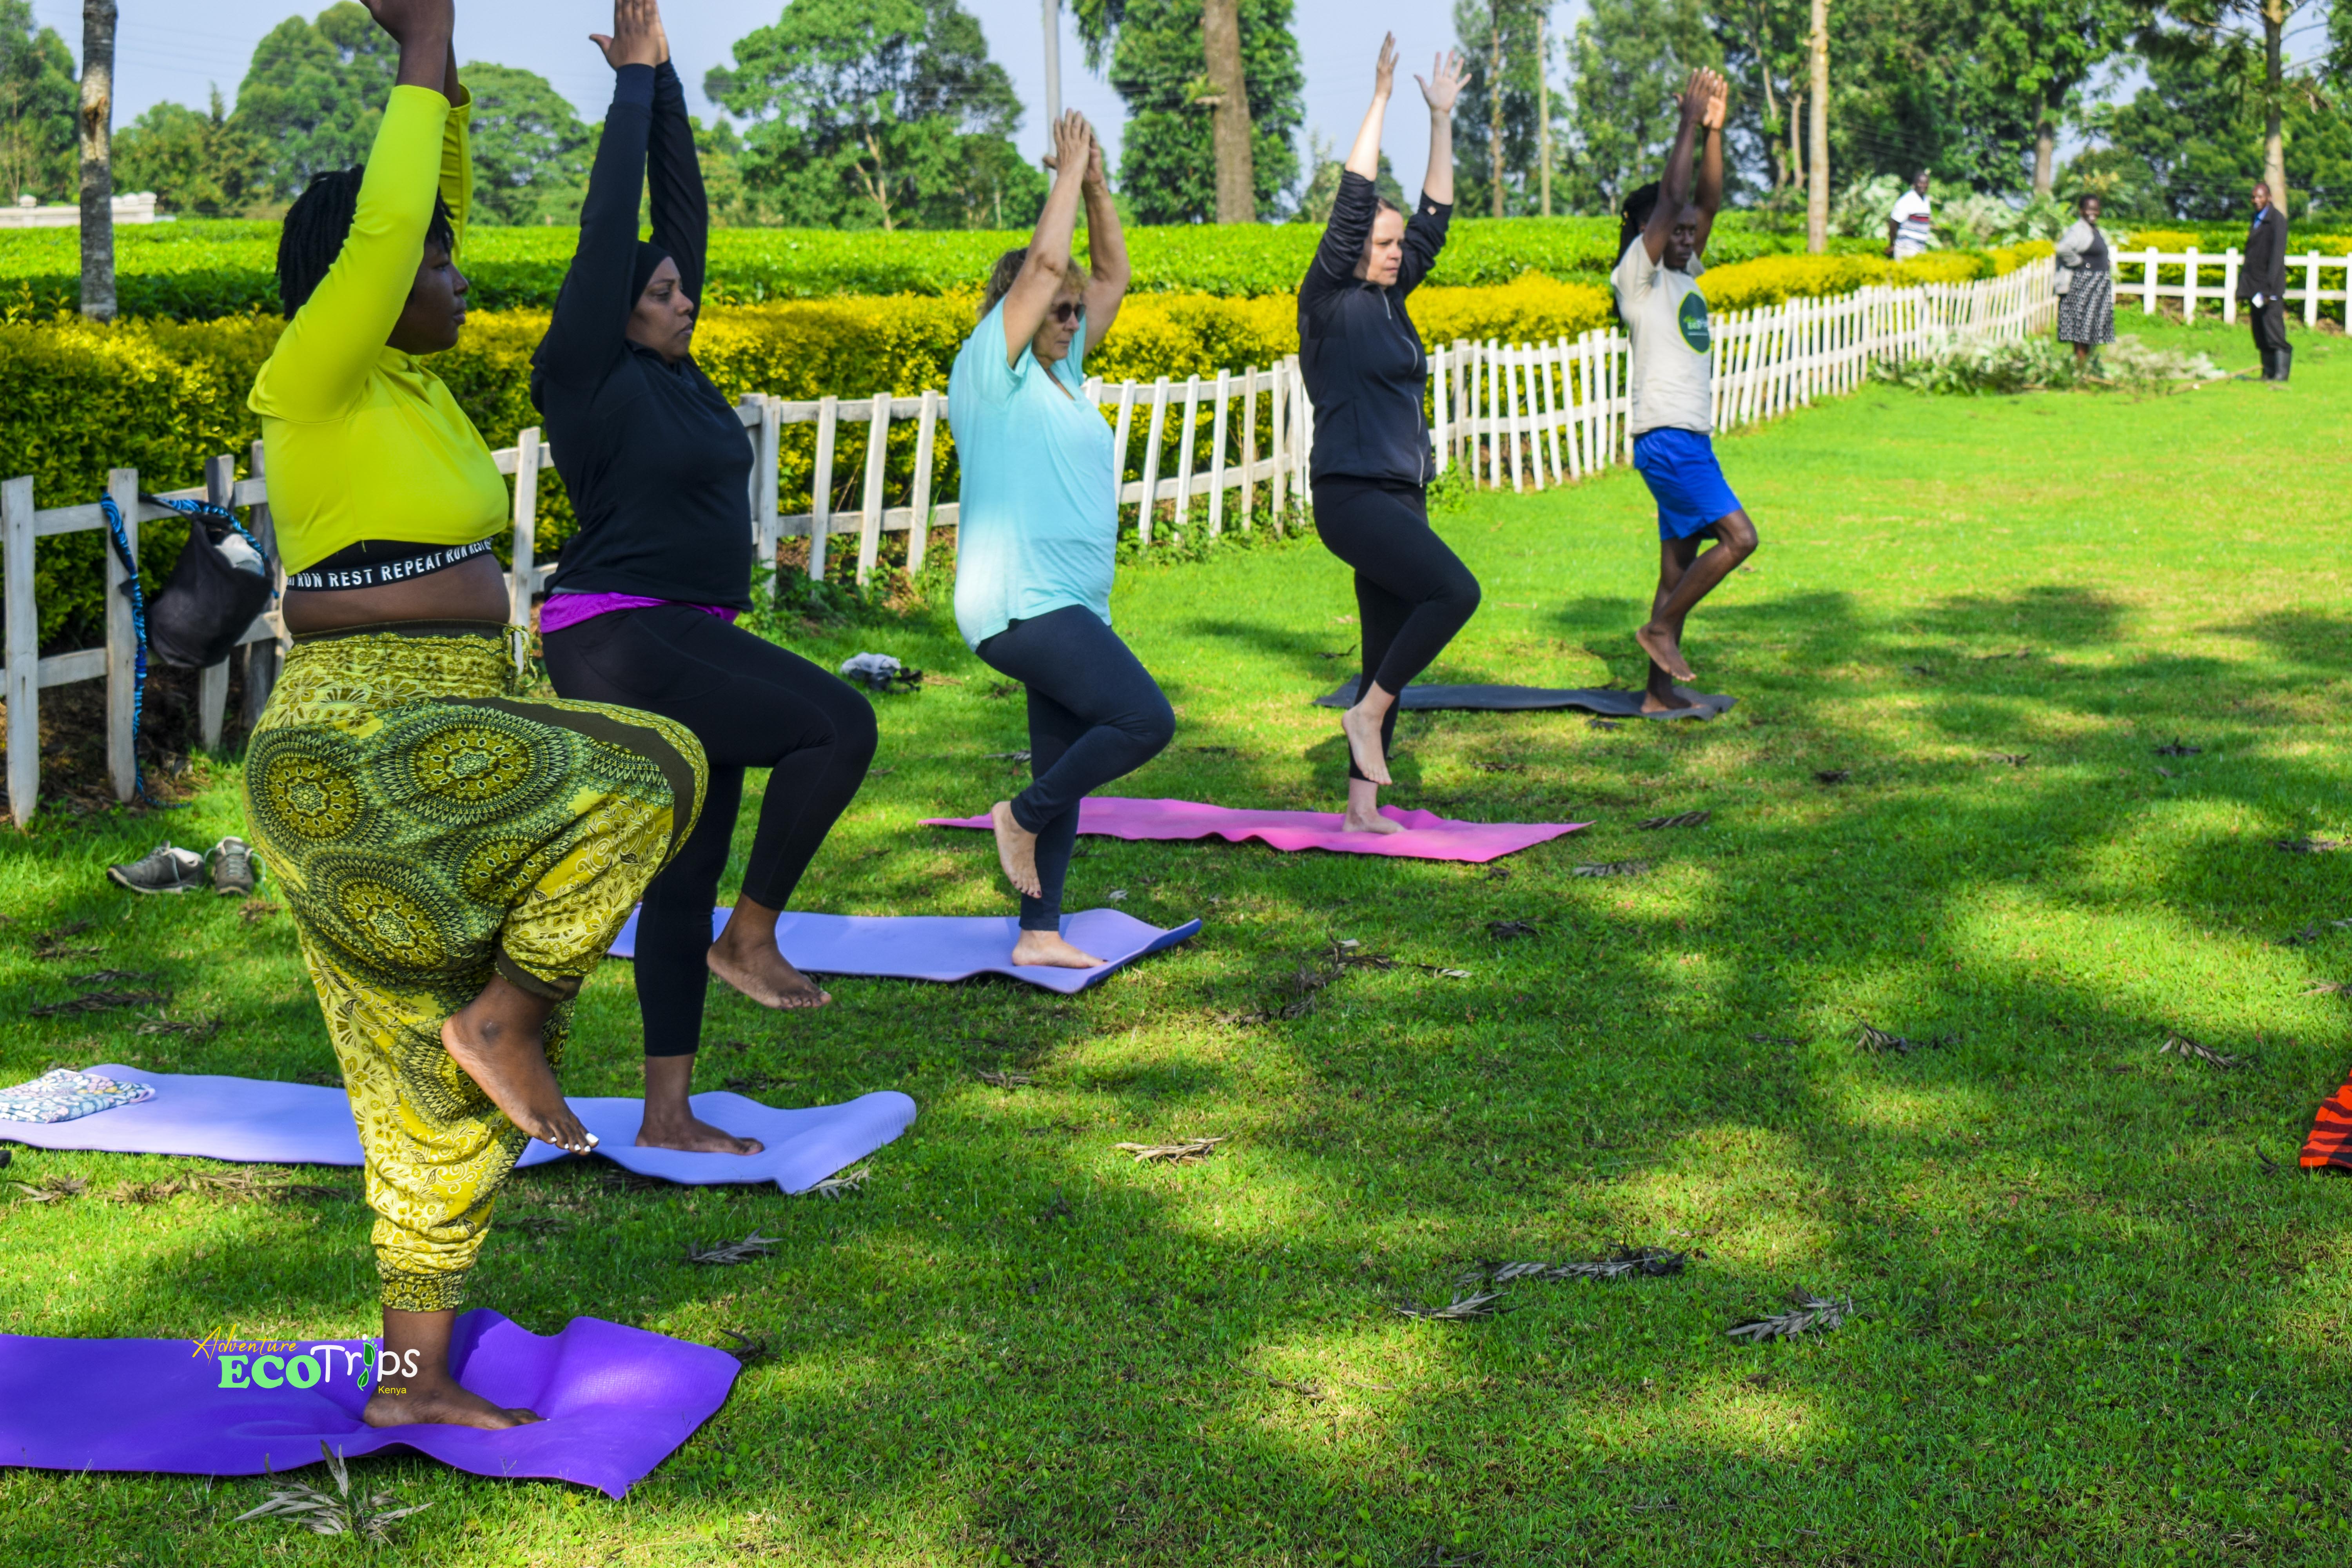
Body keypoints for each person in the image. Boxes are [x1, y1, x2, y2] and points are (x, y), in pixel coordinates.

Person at [240, 0, 706, 1431]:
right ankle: (510, 1012)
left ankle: (409, 1379)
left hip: (429, 739)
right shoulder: (312, 379)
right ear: (354, 288)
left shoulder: (407, 394)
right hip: (364, 752)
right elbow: (384, 231)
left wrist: (434, 92)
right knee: (651, 768)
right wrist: (423, 48)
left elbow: (408, 216)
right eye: (441, 261)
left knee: (418, 1088)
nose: (454, 270)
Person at [535, 0, 876, 1152]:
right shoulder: (586, 368)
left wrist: (670, 82)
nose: (681, 302)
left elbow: (679, 216)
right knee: (836, 724)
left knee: (684, 865)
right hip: (619, 632)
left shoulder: (678, 365)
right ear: (619, 300)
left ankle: (670, 1111)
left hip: (677, 631)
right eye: (662, 291)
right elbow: (610, 228)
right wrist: (628, 91)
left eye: (685, 293)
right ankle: (755, 935)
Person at [948, 111, 1167, 968]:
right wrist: (1065, 176)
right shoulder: (989, 372)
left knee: (1069, 752)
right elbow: (1046, 263)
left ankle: (1040, 930)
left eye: (1076, 311)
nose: (1073, 319)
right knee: (1143, 719)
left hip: (1069, 602)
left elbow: (1110, 272)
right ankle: (1021, 814)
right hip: (1018, 601)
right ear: (1018, 310)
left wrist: (1101, 182)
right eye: (1058, 310)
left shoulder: (1065, 375)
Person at [1299, 35, 1469, 833]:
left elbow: (1435, 214)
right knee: (1453, 592)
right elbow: (1356, 195)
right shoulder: (1330, 297)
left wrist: (1440, 119)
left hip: (1401, 494)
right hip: (1352, 493)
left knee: (1387, 640)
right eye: (1384, 242)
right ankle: (1366, 716)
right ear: (1352, 247)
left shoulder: (1395, 296)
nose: (1397, 253)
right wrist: (1381, 99)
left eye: (1399, 245)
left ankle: (1362, 808)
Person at [1613, 67, 1758, 712]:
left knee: (1677, 570)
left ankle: (1656, 695)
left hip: (1689, 436)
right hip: (1669, 437)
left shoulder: (1687, 270)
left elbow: (1706, 201)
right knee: (1740, 540)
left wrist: (1716, 132)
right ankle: (1662, 628)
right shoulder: (1637, 280)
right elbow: (1673, 201)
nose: (1687, 234)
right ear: (1648, 235)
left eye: (1690, 230)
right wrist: (1684, 127)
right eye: (1674, 230)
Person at [2053, 195, 2114, 366]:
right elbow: (2063, 248)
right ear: (2081, 211)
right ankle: (2081, 368)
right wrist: (2080, 263)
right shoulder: (2079, 229)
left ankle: (2086, 365)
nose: (2093, 212)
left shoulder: (2092, 228)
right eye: (2089, 209)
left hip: (2096, 285)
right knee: (2081, 329)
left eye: (2096, 209)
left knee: (2090, 329)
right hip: (2084, 285)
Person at [2241, 181, 2290, 382]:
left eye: (2260, 197)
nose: (2256, 201)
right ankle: (2267, 372)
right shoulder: (2256, 219)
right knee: (2260, 331)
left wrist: (2269, 289)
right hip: (2255, 287)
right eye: (2254, 197)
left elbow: (2277, 256)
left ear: (2269, 197)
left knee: (2274, 330)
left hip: (2270, 288)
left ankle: (2281, 375)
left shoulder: (2277, 220)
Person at [1888, 171, 1933, 260]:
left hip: (1920, 249)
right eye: (1920, 183)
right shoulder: (1907, 200)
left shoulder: (1926, 200)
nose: (1923, 186)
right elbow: (1894, 223)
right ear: (1914, 184)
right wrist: (1892, 244)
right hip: (1906, 248)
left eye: (1926, 183)